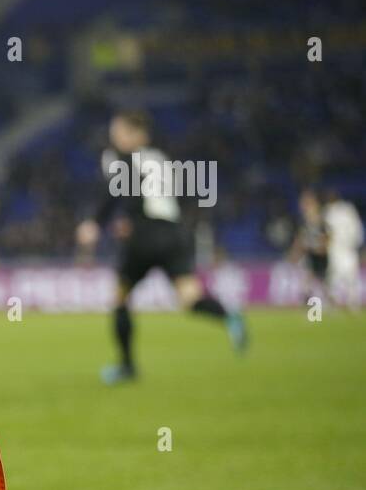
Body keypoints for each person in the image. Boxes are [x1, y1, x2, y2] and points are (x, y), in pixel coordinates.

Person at [76, 110, 247, 384]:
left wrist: (96, 223)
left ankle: (127, 367)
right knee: (190, 299)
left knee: (120, 299)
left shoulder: (123, 159)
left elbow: (117, 190)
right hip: (174, 233)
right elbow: (162, 198)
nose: (114, 137)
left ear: (135, 135)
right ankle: (229, 316)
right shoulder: (160, 159)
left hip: (146, 234)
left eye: (118, 132)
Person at [323, 190, 363, 311]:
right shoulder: (349, 210)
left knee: (334, 277)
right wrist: (358, 245)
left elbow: (327, 232)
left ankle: (333, 304)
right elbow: (358, 230)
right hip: (349, 248)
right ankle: (354, 304)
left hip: (336, 248)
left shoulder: (328, 211)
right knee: (351, 277)